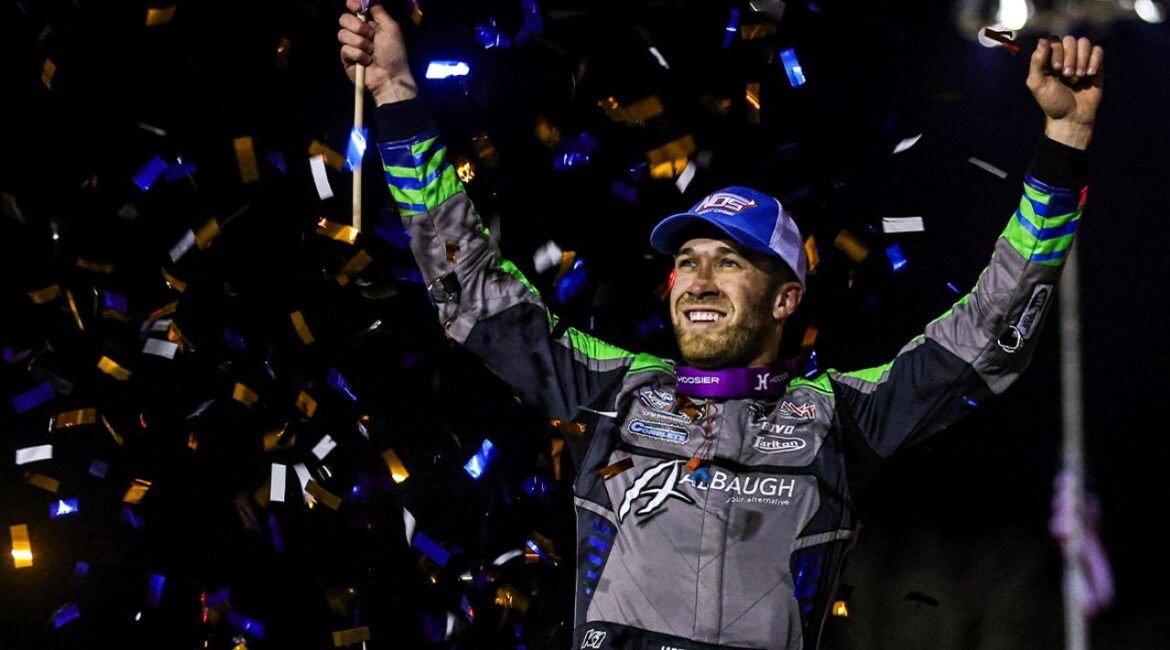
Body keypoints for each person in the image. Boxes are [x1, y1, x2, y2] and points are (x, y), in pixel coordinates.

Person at [339, 3, 1103, 648]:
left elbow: (991, 334)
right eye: (689, 261)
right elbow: (467, 286)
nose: (698, 280)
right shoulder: (615, 390)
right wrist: (398, 93)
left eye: (730, 263)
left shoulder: (842, 413)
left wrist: (1063, 149)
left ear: (785, 298)